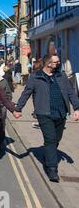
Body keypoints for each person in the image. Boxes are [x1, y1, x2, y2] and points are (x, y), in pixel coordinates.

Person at [14, 54, 79, 182]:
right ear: (48, 64)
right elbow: (26, 93)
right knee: (50, 139)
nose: (58, 63)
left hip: (61, 112)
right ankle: (52, 169)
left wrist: (77, 108)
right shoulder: (35, 77)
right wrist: (18, 108)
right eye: (56, 62)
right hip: (44, 113)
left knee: (56, 139)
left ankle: (48, 155)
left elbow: (71, 92)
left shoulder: (62, 76)